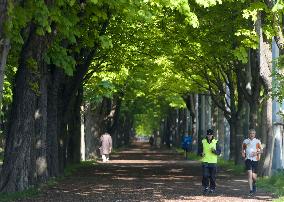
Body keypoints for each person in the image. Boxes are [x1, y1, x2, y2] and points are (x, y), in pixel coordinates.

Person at [198, 129, 221, 194]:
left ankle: (212, 188)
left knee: (212, 176)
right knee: (205, 175)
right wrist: (201, 154)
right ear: (207, 135)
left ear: (212, 135)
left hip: (213, 162)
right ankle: (206, 187)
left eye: (210, 135)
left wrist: (214, 151)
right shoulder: (203, 141)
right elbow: (199, 151)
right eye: (208, 135)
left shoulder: (216, 142)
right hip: (205, 161)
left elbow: (219, 152)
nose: (209, 136)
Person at [242, 129, 262, 195]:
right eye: (250, 133)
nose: (252, 134)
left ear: (255, 134)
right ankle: (251, 190)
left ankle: (254, 184)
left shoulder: (257, 141)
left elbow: (261, 151)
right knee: (249, 174)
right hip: (248, 159)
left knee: (254, 176)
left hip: (255, 160)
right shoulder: (245, 141)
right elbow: (243, 150)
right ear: (249, 134)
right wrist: (243, 155)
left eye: (253, 133)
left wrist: (256, 153)